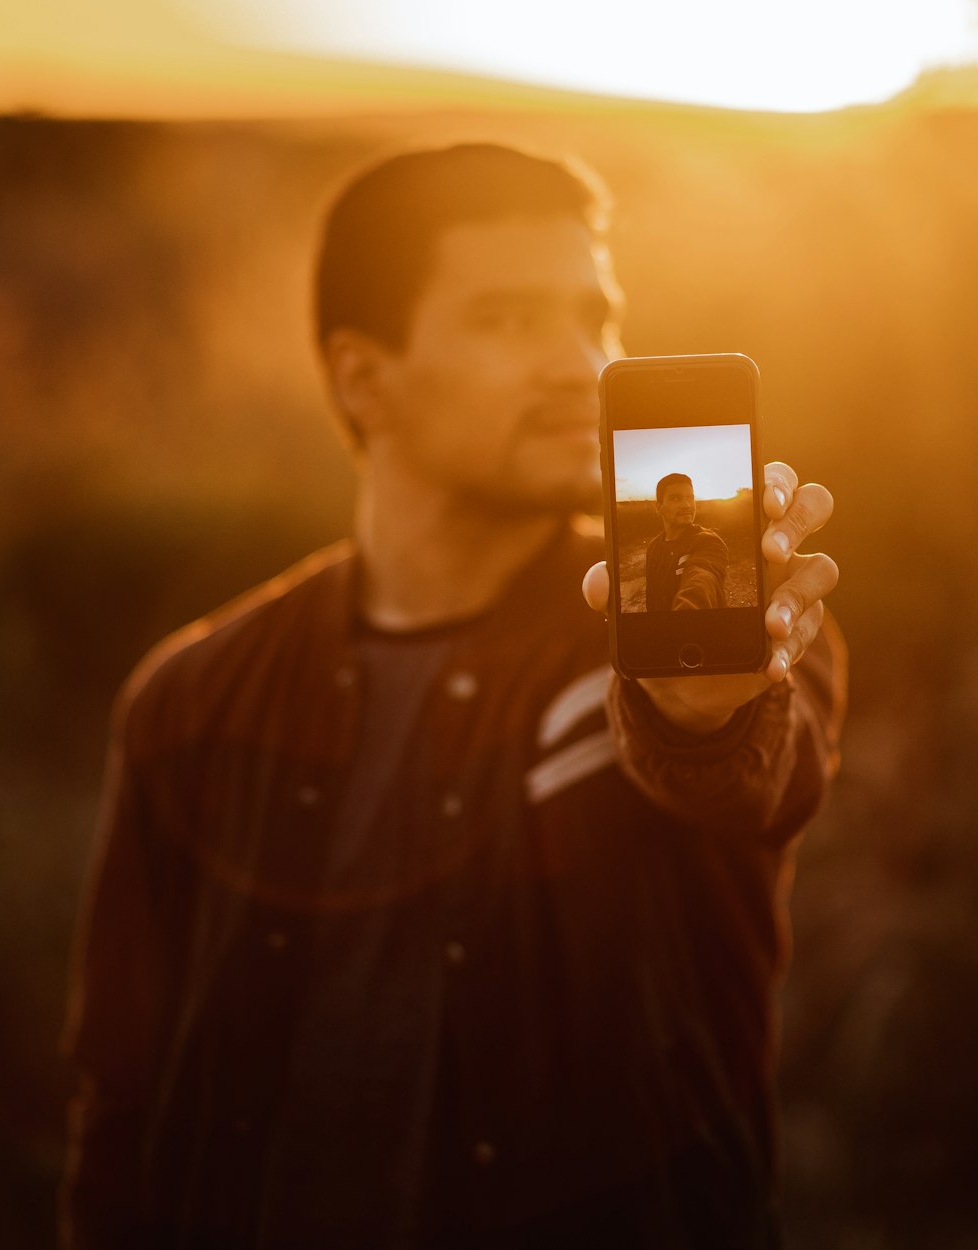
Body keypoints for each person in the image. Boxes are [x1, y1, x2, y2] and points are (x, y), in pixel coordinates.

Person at [60, 142, 845, 1249]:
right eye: (510, 321)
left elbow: (747, 771)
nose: (580, 365)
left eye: (595, 317)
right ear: (359, 376)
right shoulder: (190, 701)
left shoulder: (727, 637)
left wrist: (702, 707)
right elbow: (123, 1111)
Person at [645, 473, 729, 612]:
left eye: (690, 497)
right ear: (659, 507)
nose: (687, 505)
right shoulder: (653, 547)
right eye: (675, 498)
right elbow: (651, 594)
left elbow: (701, 578)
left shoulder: (709, 541)